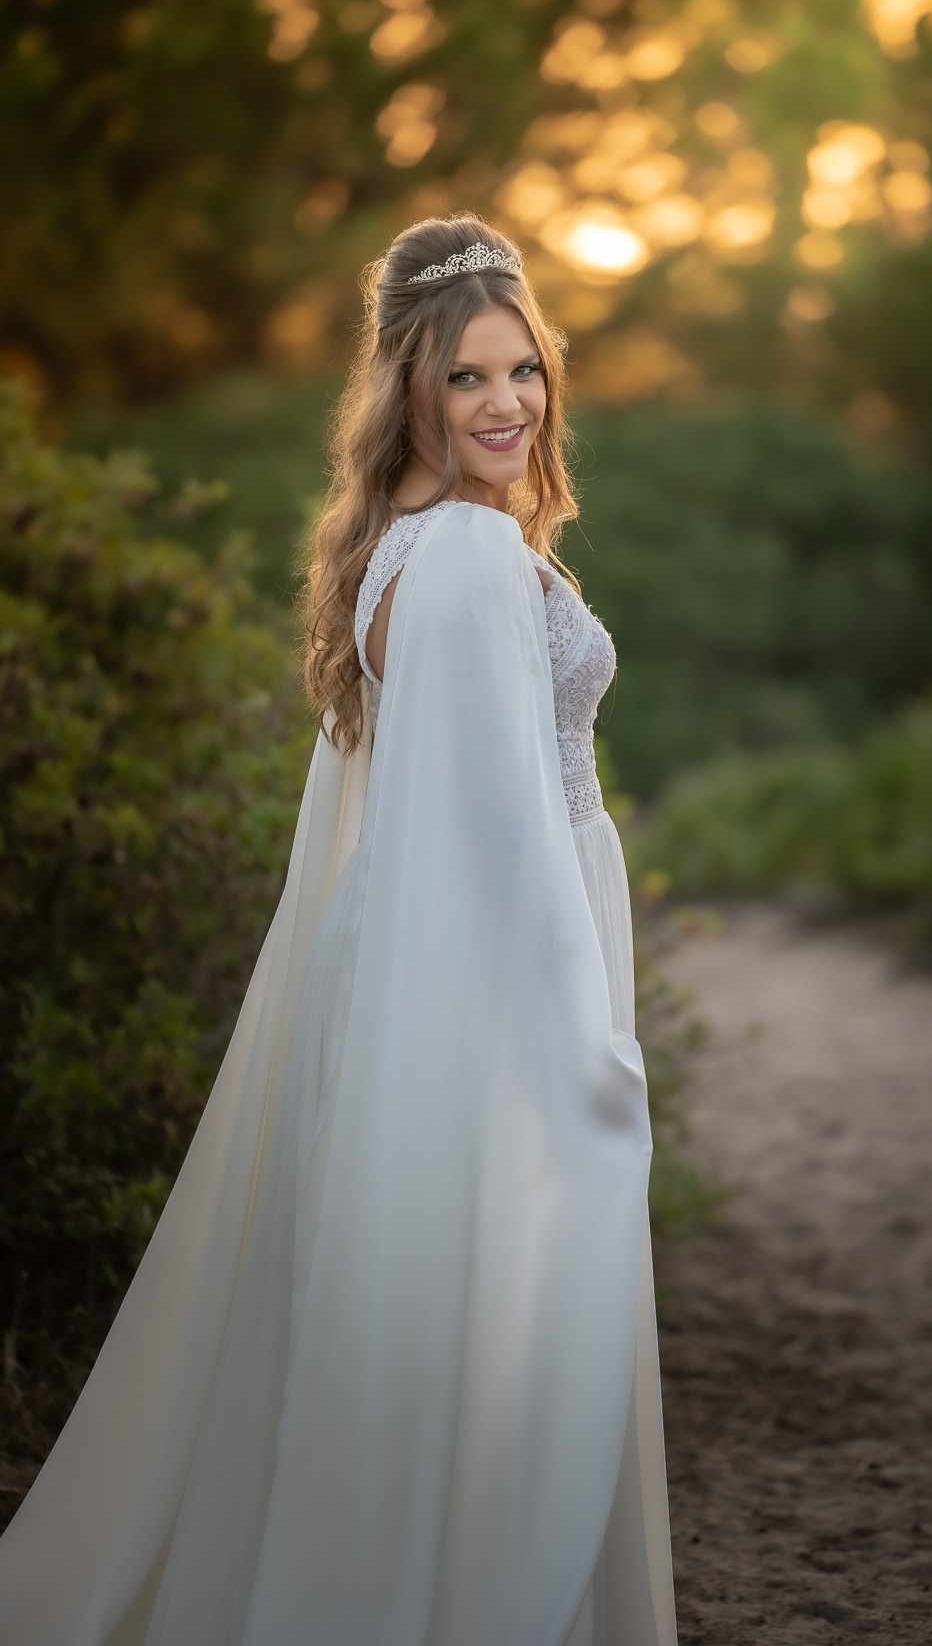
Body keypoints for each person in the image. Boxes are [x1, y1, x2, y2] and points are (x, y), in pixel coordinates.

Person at [0, 216, 677, 1646]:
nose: (506, 406)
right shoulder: (468, 566)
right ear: (409, 393)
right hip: (489, 977)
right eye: (467, 379)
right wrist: (582, 1050)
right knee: (479, 1331)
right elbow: (495, 834)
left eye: (525, 373)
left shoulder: (413, 553)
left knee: (427, 1321)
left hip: (437, 967)